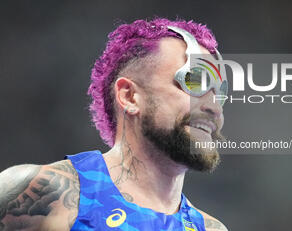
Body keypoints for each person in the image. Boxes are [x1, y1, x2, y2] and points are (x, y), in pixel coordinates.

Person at [0, 18, 228, 231]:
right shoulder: (44, 193)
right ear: (129, 96)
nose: (214, 108)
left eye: (219, 94)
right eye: (194, 82)